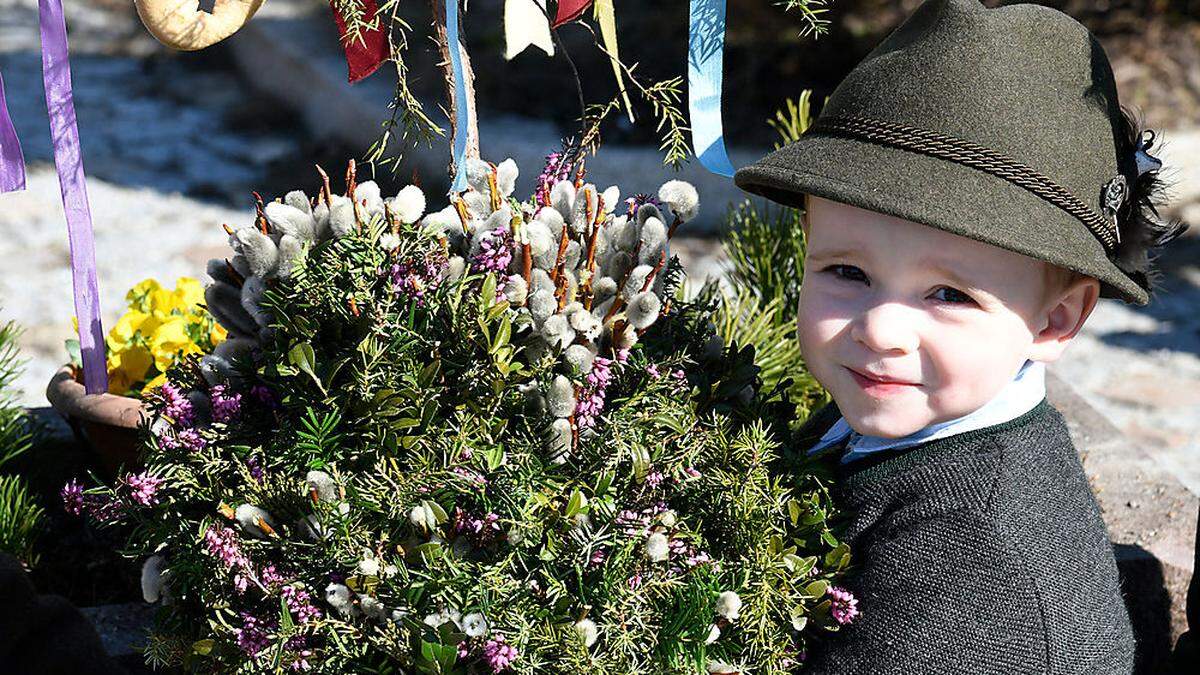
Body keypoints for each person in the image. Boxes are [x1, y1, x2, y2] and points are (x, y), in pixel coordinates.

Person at [733, 0, 1188, 671]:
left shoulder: (966, 558)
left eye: (948, 294)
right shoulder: (912, 420)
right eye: (846, 270)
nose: (882, 327)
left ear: (1054, 320)